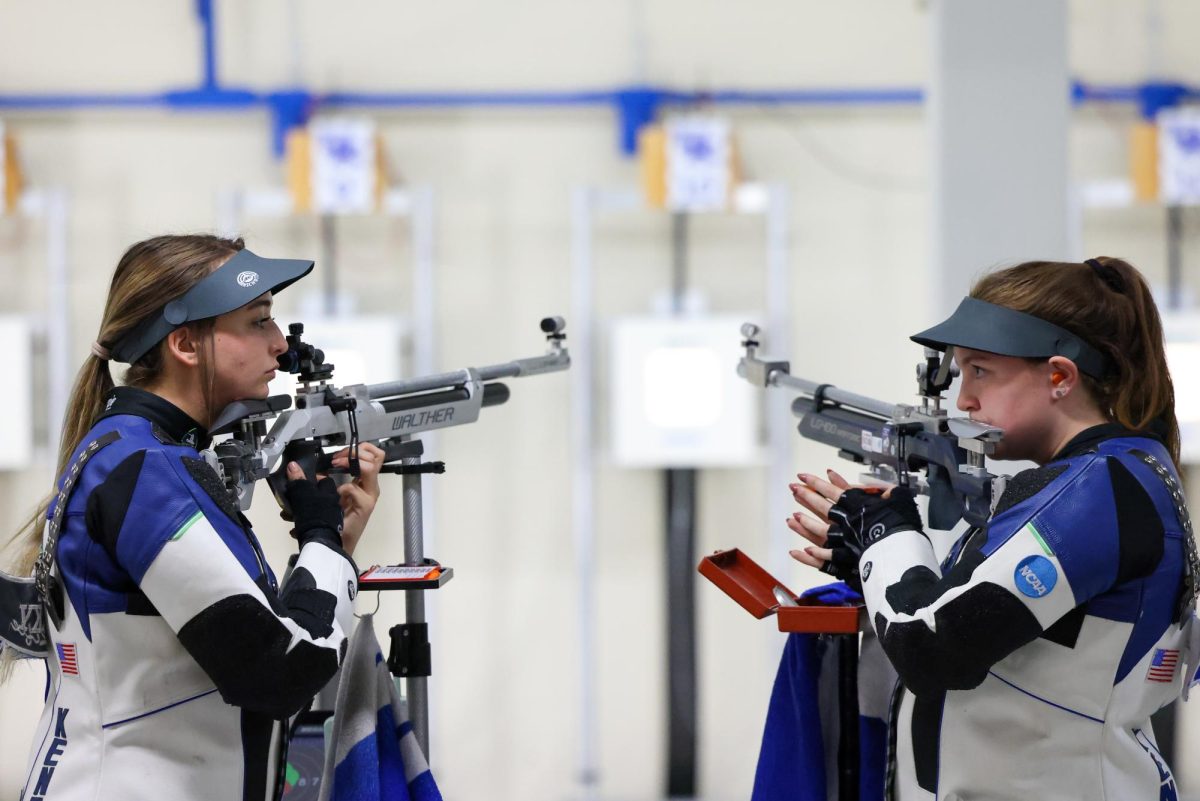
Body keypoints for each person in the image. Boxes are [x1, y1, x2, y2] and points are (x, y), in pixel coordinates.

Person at [786, 257, 1196, 800]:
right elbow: (978, 621)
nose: (963, 400)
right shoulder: (1092, 481)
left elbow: (930, 649)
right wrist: (873, 565)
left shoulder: (1101, 490)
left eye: (981, 370)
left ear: (1058, 376)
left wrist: (888, 535)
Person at [2, 234, 386, 801]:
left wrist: (329, 545)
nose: (281, 344)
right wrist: (321, 536)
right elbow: (280, 672)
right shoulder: (147, 472)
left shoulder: (132, 452)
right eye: (258, 322)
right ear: (185, 343)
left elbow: (239, 637)